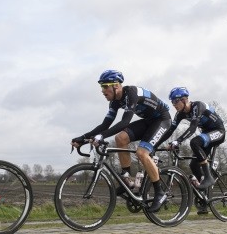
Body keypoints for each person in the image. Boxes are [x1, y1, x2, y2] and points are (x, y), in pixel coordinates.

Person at [71, 70, 171, 213]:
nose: (102, 91)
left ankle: (159, 193)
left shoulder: (131, 93)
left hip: (162, 120)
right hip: (148, 121)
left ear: (116, 86)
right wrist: (83, 138)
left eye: (105, 86)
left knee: (142, 153)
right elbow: (105, 125)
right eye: (101, 87)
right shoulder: (114, 102)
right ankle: (127, 178)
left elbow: (125, 122)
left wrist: (102, 136)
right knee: (120, 138)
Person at [161, 87, 226, 213]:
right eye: (172, 102)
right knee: (193, 164)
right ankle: (204, 197)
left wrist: (178, 140)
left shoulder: (198, 106)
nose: (174, 105)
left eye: (175, 102)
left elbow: (192, 127)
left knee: (194, 142)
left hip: (219, 131)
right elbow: (170, 130)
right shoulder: (180, 114)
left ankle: (208, 177)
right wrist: (154, 143)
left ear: (184, 100)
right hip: (206, 134)